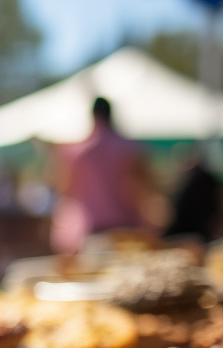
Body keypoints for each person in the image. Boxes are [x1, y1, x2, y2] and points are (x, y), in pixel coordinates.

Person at [51, 97, 151, 254]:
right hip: (126, 225)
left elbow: (65, 189)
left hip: (90, 228)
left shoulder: (77, 153)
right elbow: (144, 187)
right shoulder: (128, 147)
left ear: (93, 116)